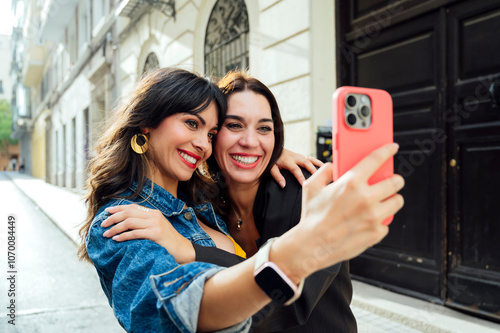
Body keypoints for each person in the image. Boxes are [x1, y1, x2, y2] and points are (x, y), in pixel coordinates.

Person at [79, 67, 404, 332]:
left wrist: (266, 153)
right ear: (146, 123)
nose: (202, 144)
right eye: (193, 124)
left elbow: (279, 297)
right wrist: (309, 242)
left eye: (208, 132)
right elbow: (180, 308)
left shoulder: (201, 199)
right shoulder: (125, 218)